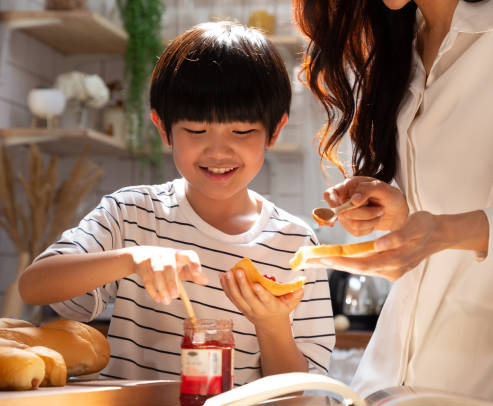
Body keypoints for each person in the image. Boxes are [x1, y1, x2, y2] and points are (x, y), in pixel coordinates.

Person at [293, 0, 493, 406]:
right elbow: (454, 198)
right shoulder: (405, 40)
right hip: (394, 372)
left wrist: (440, 232)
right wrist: (402, 210)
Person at [18, 21, 334, 384]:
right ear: (163, 128)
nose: (218, 151)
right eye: (196, 131)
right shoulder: (131, 214)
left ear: (274, 131)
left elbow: (301, 397)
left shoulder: (296, 245)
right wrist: (131, 259)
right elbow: (34, 286)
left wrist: (272, 323)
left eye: (242, 131)